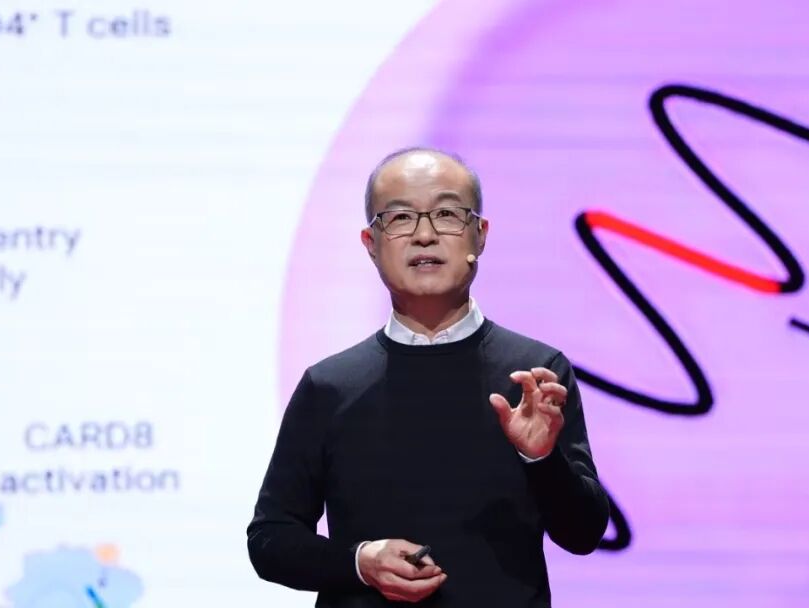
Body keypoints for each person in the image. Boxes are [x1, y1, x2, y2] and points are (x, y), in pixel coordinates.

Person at [246, 148, 609, 607]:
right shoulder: (330, 386)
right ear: (371, 243)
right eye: (400, 218)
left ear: (480, 235)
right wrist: (359, 561)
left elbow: (583, 533)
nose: (424, 235)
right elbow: (271, 539)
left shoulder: (534, 376)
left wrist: (540, 460)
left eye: (447, 214)